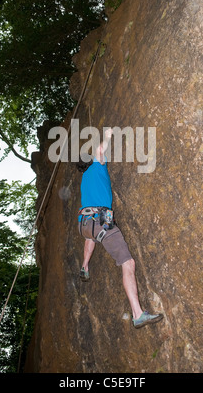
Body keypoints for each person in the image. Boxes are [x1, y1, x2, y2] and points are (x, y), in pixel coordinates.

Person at [76, 128, 163, 329]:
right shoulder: (97, 166)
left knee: (92, 237)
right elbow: (99, 150)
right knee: (128, 263)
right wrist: (107, 135)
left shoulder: (84, 179)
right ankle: (138, 314)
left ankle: (85, 265)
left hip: (85, 224)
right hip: (99, 219)